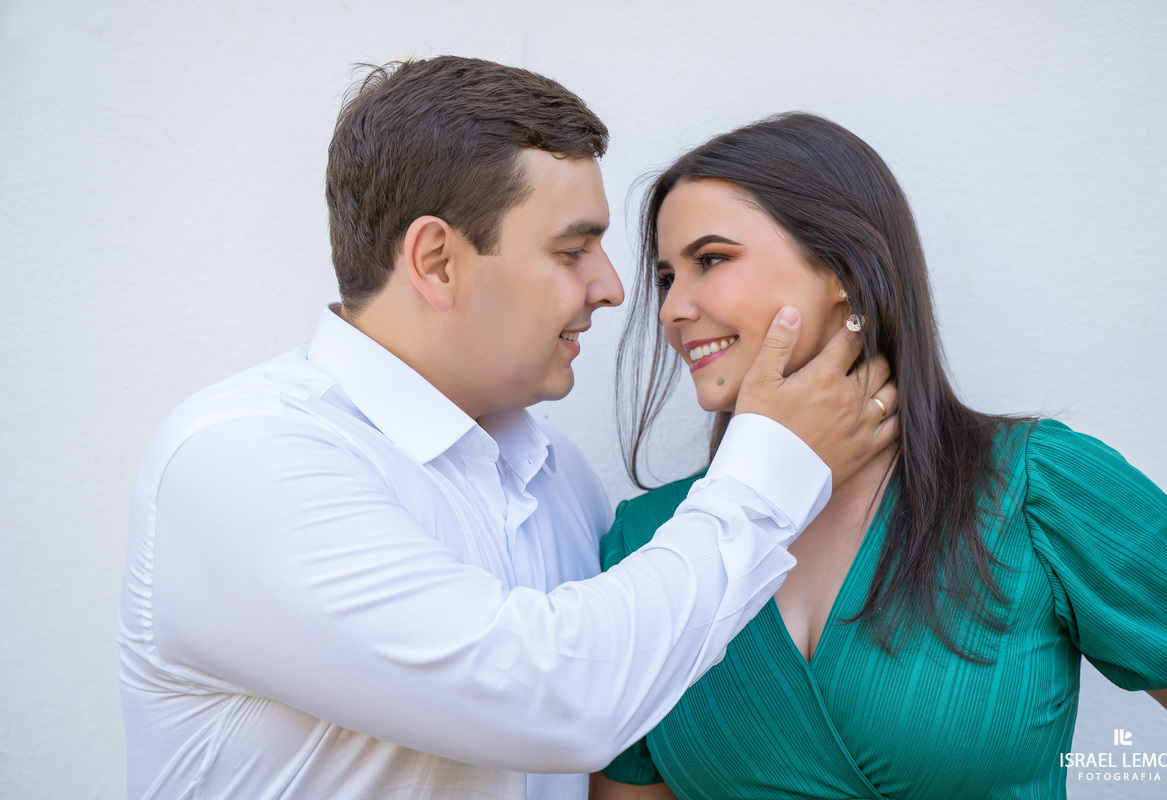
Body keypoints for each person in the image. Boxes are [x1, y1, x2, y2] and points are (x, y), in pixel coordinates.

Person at [117, 59, 896, 799]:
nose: (616, 290)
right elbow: (563, 698)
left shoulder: (557, 475)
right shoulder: (244, 459)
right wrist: (775, 463)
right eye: (573, 250)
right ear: (438, 261)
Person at [592, 112, 1167, 800]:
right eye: (667, 276)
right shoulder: (647, 545)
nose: (672, 307)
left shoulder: (1038, 489)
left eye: (710, 261)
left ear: (845, 270)